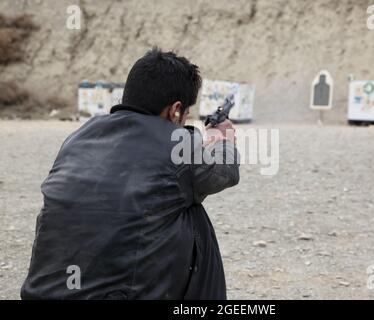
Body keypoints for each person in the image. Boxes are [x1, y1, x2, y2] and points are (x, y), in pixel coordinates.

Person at [21, 48, 240, 300]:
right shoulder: (179, 145)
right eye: (185, 114)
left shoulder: (80, 136)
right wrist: (223, 138)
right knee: (192, 213)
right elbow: (226, 172)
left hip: (42, 294)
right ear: (175, 109)